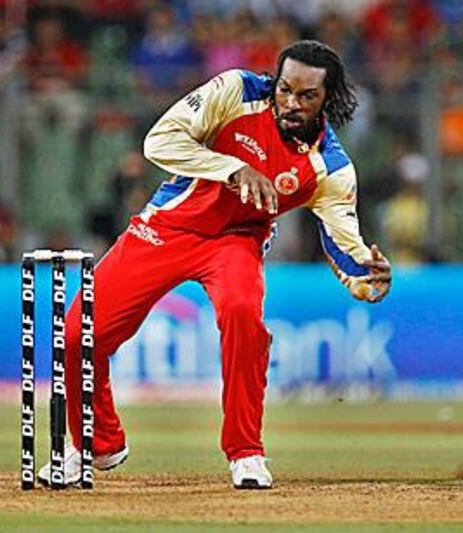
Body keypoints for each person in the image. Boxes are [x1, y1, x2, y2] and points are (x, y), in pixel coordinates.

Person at [37, 40, 392, 489]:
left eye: (307, 96)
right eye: (285, 89)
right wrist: (230, 168)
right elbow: (159, 141)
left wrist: (368, 274)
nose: (290, 102)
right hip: (166, 227)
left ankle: (246, 452)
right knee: (76, 335)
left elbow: (345, 243)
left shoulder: (331, 168)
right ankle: (97, 443)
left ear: (330, 98)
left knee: (243, 314)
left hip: (235, 242)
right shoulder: (236, 90)